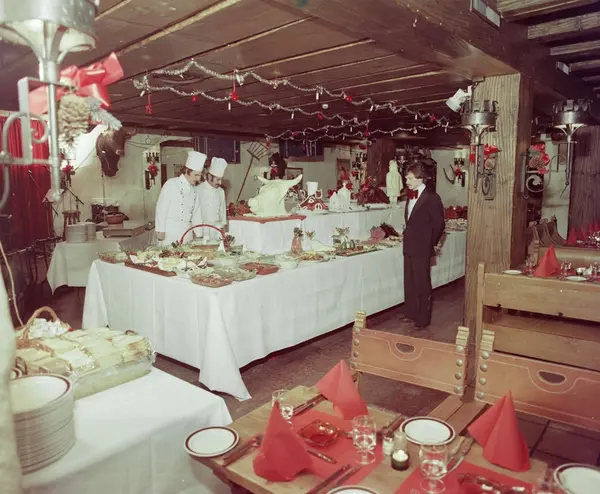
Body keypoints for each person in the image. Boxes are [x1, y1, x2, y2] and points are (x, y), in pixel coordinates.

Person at [402, 161, 445, 329]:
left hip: (421, 247)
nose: (407, 181)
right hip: (409, 246)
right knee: (410, 282)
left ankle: (423, 318)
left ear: (421, 178)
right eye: (406, 178)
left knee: (422, 283)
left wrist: (430, 243)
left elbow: (439, 224)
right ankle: (411, 313)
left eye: (410, 178)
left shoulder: (432, 198)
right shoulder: (410, 196)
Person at [155, 150, 206, 246]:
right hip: (170, 233)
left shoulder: (195, 190)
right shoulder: (171, 184)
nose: (199, 179)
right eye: (196, 175)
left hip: (187, 233)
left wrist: (199, 234)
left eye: (200, 175)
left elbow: (196, 213)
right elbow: (161, 209)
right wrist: (160, 230)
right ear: (187, 171)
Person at [198, 157, 228, 240]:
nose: (220, 183)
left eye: (221, 180)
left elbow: (223, 213)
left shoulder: (220, 191)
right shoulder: (198, 190)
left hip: (217, 230)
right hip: (202, 230)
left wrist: (224, 233)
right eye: (218, 179)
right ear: (209, 176)